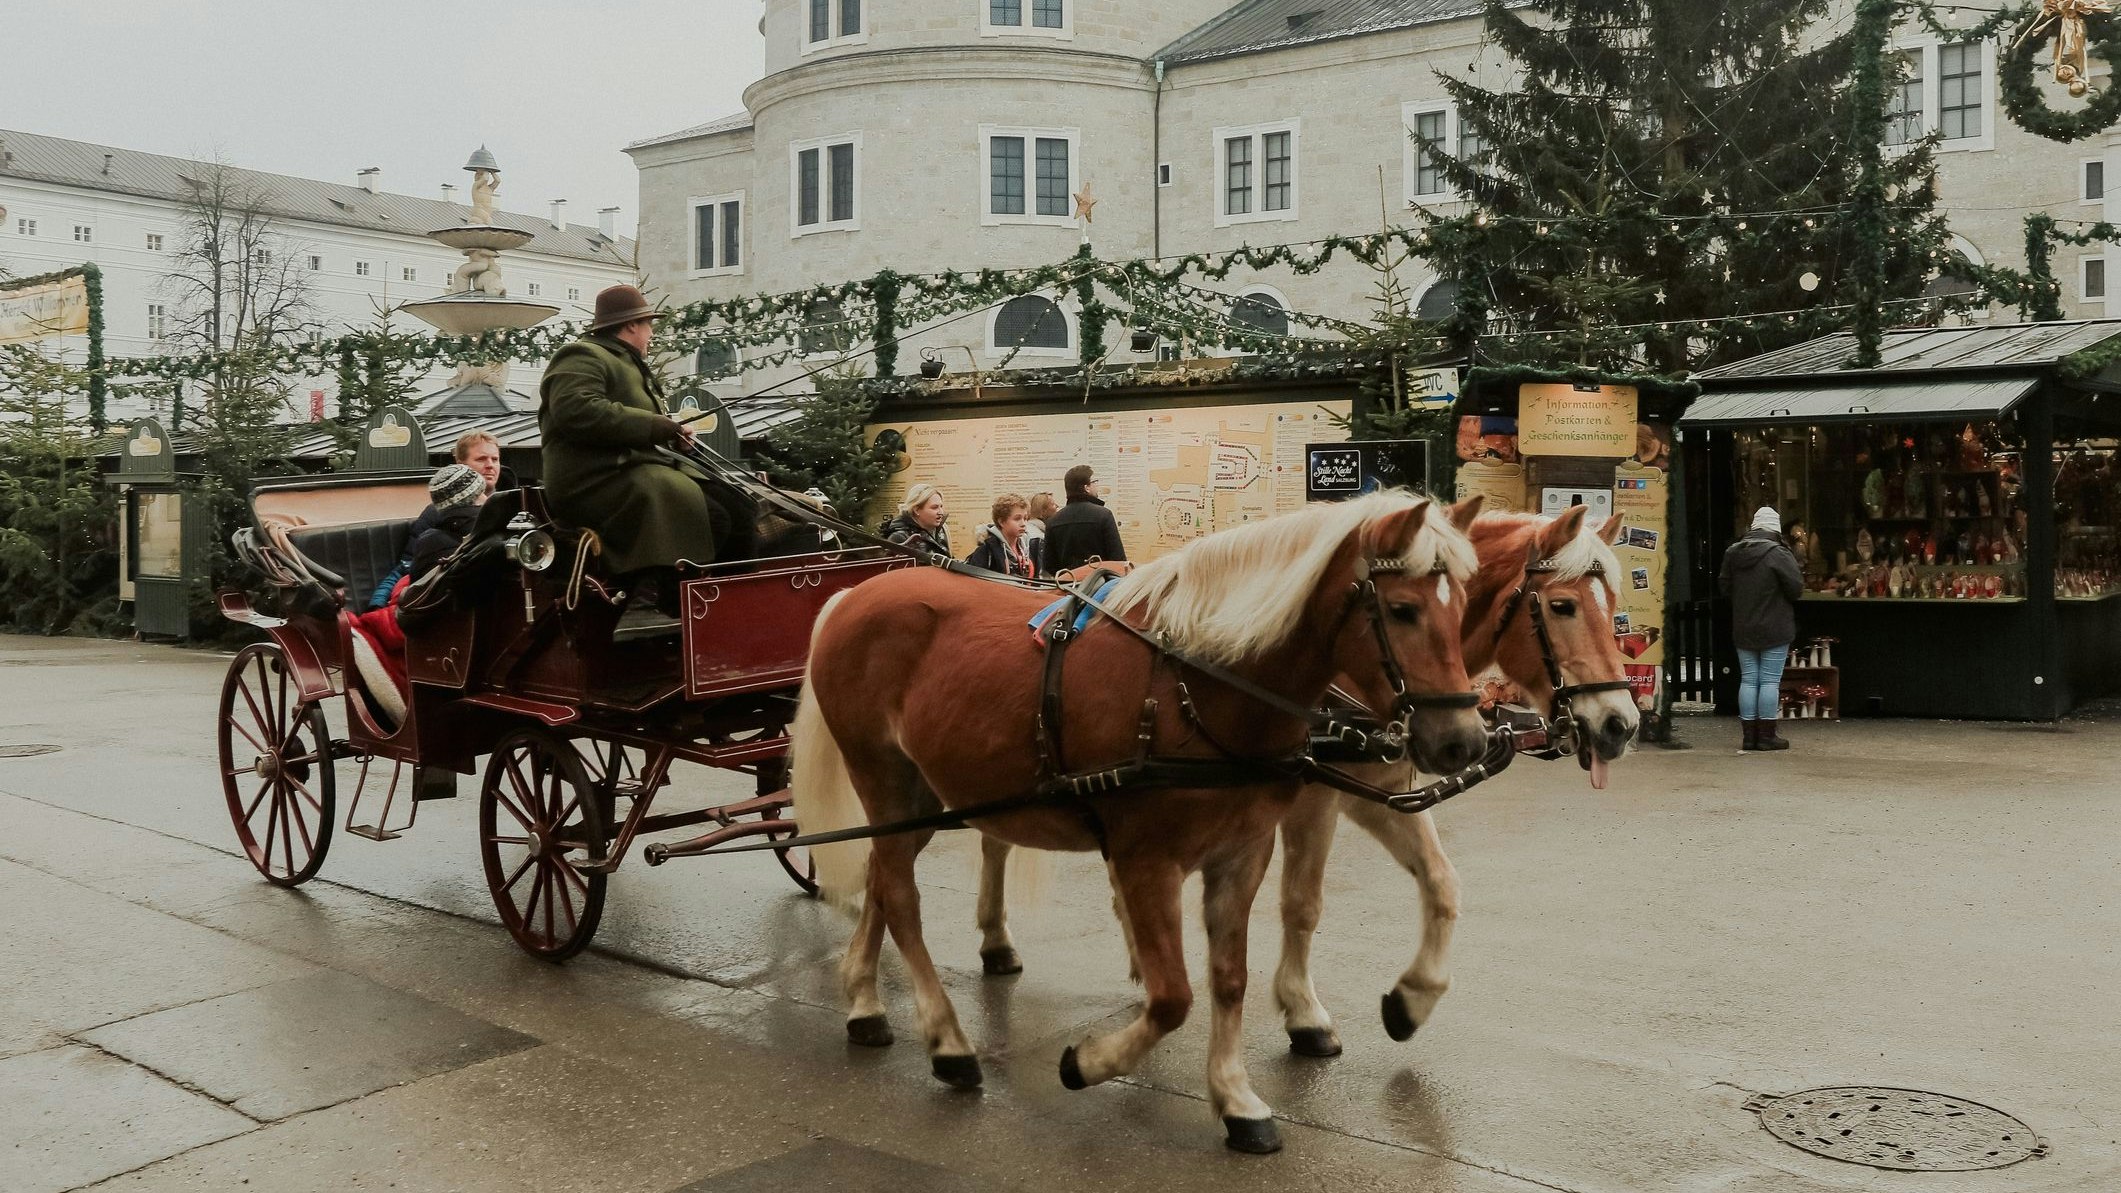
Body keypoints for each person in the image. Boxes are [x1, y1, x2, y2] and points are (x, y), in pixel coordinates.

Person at [538, 284, 757, 619]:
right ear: (631, 325)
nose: (652, 334)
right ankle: (648, 600)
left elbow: (632, 426)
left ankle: (727, 608)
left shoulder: (627, 362)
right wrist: (657, 425)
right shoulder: (582, 355)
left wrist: (672, 437)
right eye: (649, 325)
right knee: (706, 512)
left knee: (739, 507)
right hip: (594, 478)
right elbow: (576, 411)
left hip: (633, 468)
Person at [367, 430, 509, 608]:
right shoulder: (435, 515)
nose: (490, 465)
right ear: (460, 464)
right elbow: (406, 567)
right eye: (481, 459)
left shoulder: (514, 506)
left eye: (495, 459)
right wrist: (378, 604)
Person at [1719, 506, 1803, 753]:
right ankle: (1766, 736)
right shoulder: (1779, 553)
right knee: (1769, 681)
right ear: (1775, 529)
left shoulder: (1733, 553)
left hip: (1743, 626)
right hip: (1775, 627)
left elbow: (1724, 587)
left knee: (1748, 679)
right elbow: (1796, 589)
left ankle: (1749, 737)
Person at [408, 464, 486, 583]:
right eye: (482, 493)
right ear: (474, 500)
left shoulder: (427, 542)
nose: (487, 498)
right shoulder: (487, 532)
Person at [1042, 464, 1126, 574]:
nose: (1097, 486)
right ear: (1086, 488)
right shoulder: (1104, 515)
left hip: (1067, 582)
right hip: (1100, 581)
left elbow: (1049, 564)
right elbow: (1118, 559)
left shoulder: (1053, 521)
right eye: (1095, 482)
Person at [965, 493, 1040, 579]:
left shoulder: (1030, 546)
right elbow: (975, 582)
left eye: (1025, 518)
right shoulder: (986, 550)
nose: (1023, 524)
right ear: (1001, 522)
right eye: (1017, 519)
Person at [880, 483, 951, 557]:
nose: (941, 512)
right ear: (916, 510)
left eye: (941, 506)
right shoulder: (899, 537)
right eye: (934, 507)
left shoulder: (941, 531)